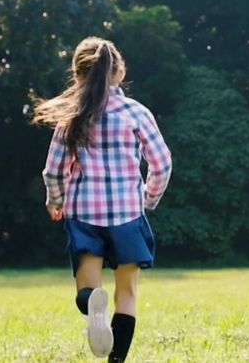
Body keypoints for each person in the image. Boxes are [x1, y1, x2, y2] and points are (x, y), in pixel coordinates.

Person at [36, 37, 172, 362]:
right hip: (127, 213)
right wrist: (147, 199)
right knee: (127, 293)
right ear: (119, 73)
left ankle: (92, 302)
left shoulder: (73, 115)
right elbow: (162, 163)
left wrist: (55, 200)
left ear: (78, 75)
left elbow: (53, 170)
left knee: (89, 289)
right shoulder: (135, 112)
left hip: (84, 213)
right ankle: (116, 360)